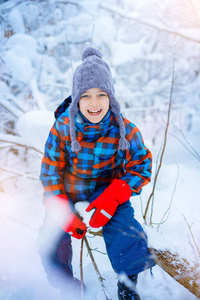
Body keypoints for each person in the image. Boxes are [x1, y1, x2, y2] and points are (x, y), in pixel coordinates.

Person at [38, 46, 155, 300]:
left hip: (106, 190)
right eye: (86, 96)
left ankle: (127, 284)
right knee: (49, 239)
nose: (94, 103)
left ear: (111, 98)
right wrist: (63, 212)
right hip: (68, 191)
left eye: (102, 95)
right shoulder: (62, 128)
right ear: (76, 99)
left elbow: (142, 165)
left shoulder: (125, 130)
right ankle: (68, 287)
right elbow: (49, 174)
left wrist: (116, 193)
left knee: (124, 225)